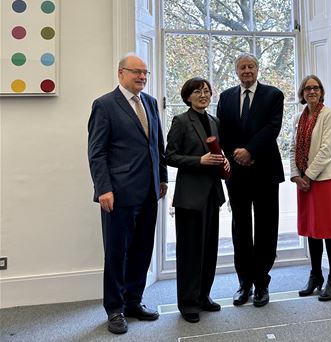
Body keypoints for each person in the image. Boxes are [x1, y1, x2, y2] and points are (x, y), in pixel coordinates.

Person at [87, 54, 168, 334]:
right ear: (121, 73)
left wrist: (163, 177)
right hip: (118, 194)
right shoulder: (105, 105)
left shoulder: (151, 102)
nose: (142, 77)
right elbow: (97, 152)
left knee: (142, 249)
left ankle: (134, 301)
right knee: (117, 252)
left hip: (148, 191)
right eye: (137, 72)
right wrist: (103, 189)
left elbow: (158, 144)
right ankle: (115, 309)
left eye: (145, 73)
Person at [216, 52, 285, 307]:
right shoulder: (225, 97)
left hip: (265, 170)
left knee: (267, 228)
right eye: (243, 67)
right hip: (237, 172)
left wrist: (251, 151)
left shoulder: (273, 95)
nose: (247, 71)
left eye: (251, 66)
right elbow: (222, 131)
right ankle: (243, 283)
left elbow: (272, 127)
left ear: (258, 69)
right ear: (237, 71)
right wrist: (237, 153)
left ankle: (261, 284)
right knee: (241, 227)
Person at [165, 77, 229, 323]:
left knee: (209, 249)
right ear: (188, 96)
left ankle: (204, 296)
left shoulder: (214, 121)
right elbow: (169, 155)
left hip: (212, 192)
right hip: (190, 195)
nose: (203, 95)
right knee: (190, 251)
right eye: (197, 91)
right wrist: (198, 161)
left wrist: (224, 160)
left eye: (206, 91)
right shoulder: (181, 121)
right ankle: (188, 302)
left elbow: (217, 152)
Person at [290, 75, 331, 301]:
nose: (312, 91)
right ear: (302, 93)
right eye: (307, 88)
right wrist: (295, 175)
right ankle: (316, 276)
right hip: (304, 183)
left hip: (323, 181)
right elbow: (292, 148)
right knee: (312, 231)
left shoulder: (329, 115)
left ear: (321, 91)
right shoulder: (297, 118)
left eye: (316, 88)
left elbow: (327, 151)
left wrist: (308, 176)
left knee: (328, 232)